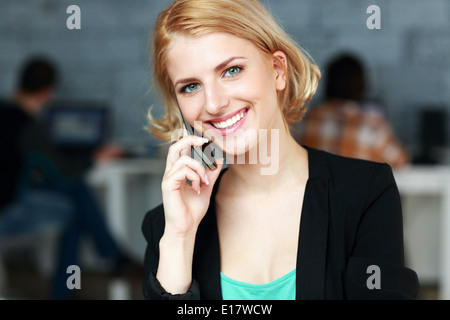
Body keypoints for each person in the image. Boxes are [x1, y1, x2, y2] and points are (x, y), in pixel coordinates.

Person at [141, 0, 419, 300]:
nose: (213, 103)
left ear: (277, 71)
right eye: (190, 87)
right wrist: (181, 236)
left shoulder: (365, 193)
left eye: (232, 70)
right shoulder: (169, 226)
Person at [0, 57, 141, 299]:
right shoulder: (28, 125)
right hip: (7, 210)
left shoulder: (4, 112)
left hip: (9, 199)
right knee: (74, 206)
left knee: (72, 197)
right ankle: (107, 259)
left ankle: (110, 257)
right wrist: (93, 158)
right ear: (46, 92)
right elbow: (63, 173)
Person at [295, 53, 410, 169]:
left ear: (326, 84)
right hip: (357, 186)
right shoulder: (374, 127)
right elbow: (401, 163)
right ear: (362, 86)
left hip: (314, 187)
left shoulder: (302, 122)